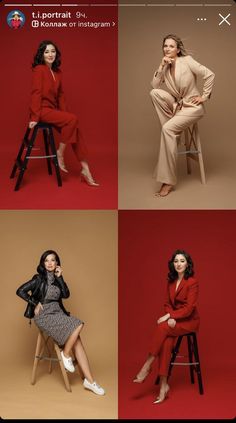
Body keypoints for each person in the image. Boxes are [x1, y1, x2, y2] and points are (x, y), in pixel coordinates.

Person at [16, 250, 105, 396]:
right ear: (43, 263)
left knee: (77, 340)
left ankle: (90, 381)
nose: (50, 263)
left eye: (53, 260)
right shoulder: (38, 279)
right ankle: (66, 354)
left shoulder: (58, 278)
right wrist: (34, 302)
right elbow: (20, 290)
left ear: (57, 263)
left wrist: (61, 277)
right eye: (47, 260)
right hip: (44, 315)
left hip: (58, 313)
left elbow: (66, 294)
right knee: (78, 323)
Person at [150, 34, 215, 197]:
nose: (167, 49)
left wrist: (204, 96)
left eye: (171, 46)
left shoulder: (187, 61)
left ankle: (168, 182)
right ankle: (171, 133)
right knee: (155, 93)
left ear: (178, 49)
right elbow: (155, 84)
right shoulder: (166, 64)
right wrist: (161, 65)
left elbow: (209, 74)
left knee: (167, 130)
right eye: (165, 46)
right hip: (177, 106)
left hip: (192, 108)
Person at [133, 249, 200, 404]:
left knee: (162, 327)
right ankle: (164, 385)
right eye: (176, 261)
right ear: (172, 264)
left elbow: (189, 308)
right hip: (174, 321)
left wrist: (171, 316)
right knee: (166, 340)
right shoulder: (171, 281)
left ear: (188, 263)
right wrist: (170, 315)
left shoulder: (192, 282)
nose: (179, 264)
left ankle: (147, 365)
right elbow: (167, 304)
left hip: (189, 321)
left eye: (182, 261)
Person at [29, 40, 99, 186]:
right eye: (46, 51)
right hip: (42, 110)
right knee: (72, 120)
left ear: (57, 54)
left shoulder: (58, 72)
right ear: (41, 54)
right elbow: (36, 93)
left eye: (53, 51)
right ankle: (60, 153)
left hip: (53, 111)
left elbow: (60, 96)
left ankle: (86, 169)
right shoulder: (39, 69)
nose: (50, 54)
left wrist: (67, 117)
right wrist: (34, 116)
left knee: (75, 127)